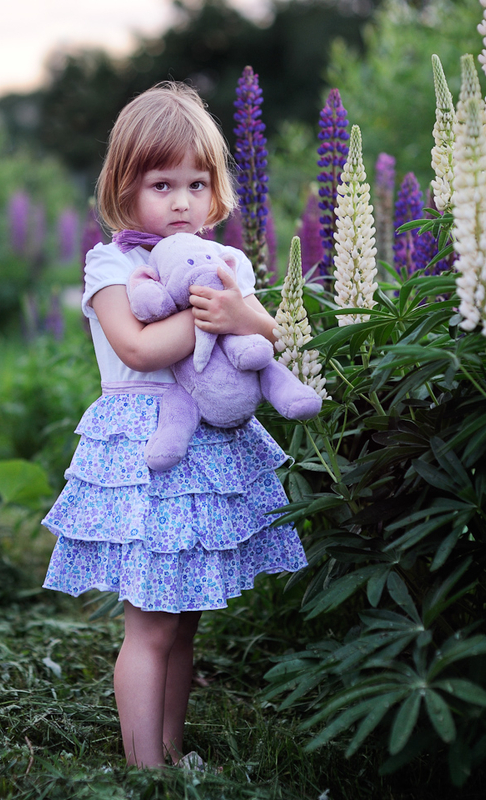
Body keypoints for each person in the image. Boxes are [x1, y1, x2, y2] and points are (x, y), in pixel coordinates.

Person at [42, 82, 309, 770]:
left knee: (184, 622)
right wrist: (207, 314)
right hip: (146, 455)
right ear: (124, 188)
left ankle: (169, 749)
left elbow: (270, 331)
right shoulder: (113, 264)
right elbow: (138, 348)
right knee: (151, 628)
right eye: (162, 184)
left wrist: (243, 314)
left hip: (209, 454)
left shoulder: (225, 264)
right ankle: (144, 771)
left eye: (198, 183)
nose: (183, 201)